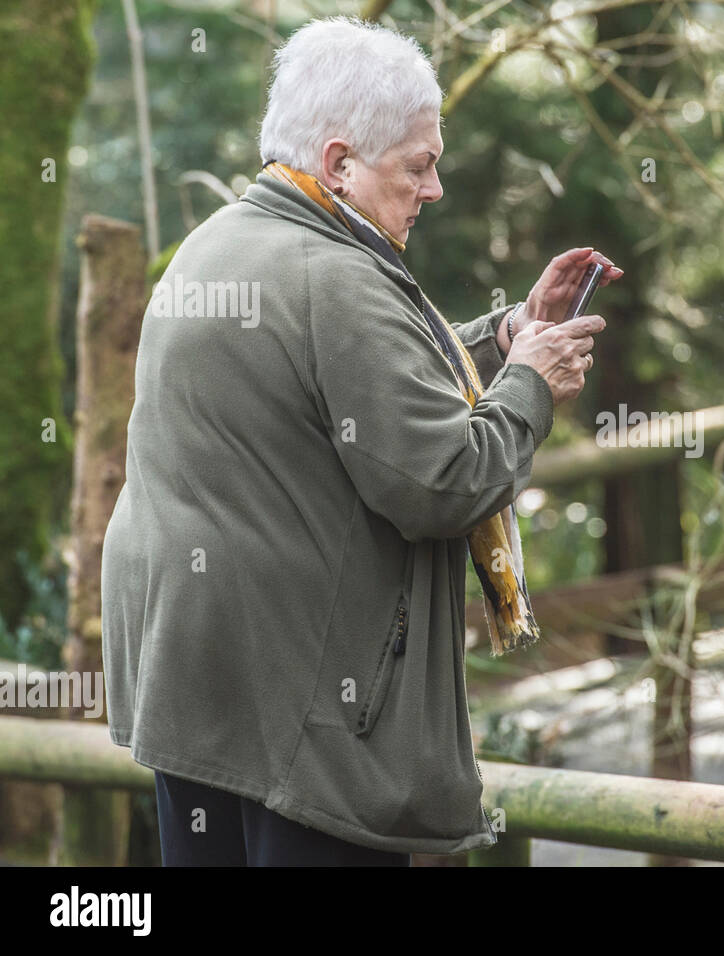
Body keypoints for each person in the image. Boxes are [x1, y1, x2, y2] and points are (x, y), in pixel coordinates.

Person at [101, 15, 622, 866]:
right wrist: (530, 382)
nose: (435, 189)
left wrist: (503, 336)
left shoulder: (222, 242)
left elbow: (353, 383)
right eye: (418, 165)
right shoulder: (336, 277)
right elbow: (444, 480)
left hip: (195, 688)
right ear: (341, 163)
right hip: (304, 724)